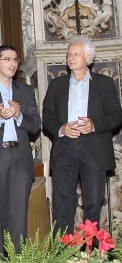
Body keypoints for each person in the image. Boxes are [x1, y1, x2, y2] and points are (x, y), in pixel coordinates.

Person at [42, 35, 122, 235]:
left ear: (88, 58)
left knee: (94, 202)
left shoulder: (104, 83)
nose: (71, 58)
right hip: (65, 148)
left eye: (76, 54)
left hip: (94, 149)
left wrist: (94, 125)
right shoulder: (57, 85)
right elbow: (47, 117)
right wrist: (61, 129)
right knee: (62, 202)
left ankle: (91, 255)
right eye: (69, 54)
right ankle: (64, 254)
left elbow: (116, 116)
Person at [0, 45, 40, 255]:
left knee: (19, 215)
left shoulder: (25, 91)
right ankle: (0, 262)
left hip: (20, 157)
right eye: (7, 59)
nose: (13, 64)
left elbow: (35, 125)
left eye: (15, 59)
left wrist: (19, 116)